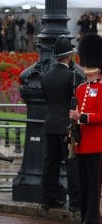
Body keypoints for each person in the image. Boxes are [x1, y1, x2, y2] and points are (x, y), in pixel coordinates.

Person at [40, 36, 82, 211]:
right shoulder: (72, 76)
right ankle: (75, 203)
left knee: (51, 163)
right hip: (66, 125)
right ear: (69, 55)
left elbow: (47, 99)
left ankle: (48, 199)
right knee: (72, 164)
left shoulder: (46, 76)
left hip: (50, 123)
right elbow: (75, 101)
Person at [69, 33, 102, 224]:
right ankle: (85, 218)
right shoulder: (80, 88)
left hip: (97, 145)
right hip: (81, 145)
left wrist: (81, 117)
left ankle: (92, 220)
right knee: (83, 185)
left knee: (93, 188)